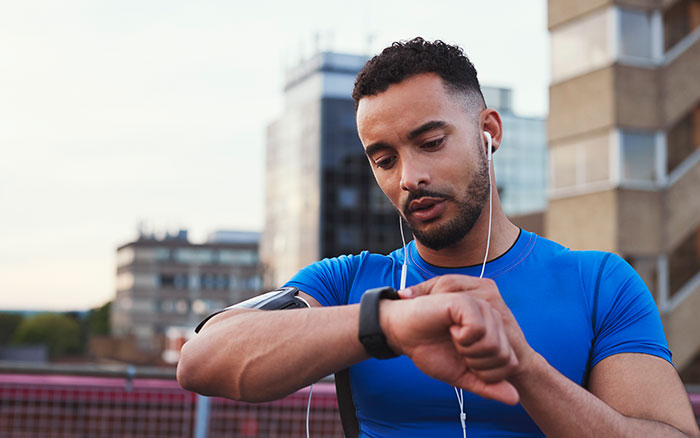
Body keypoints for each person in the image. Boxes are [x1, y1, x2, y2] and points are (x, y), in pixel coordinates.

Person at [177, 37, 700, 437]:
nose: (408, 177)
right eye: (384, 159)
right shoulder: (350, 282)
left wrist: (523, 369)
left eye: (430, 142)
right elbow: (201, 358)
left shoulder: (598, 281)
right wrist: (389, 320)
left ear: (489, 132)